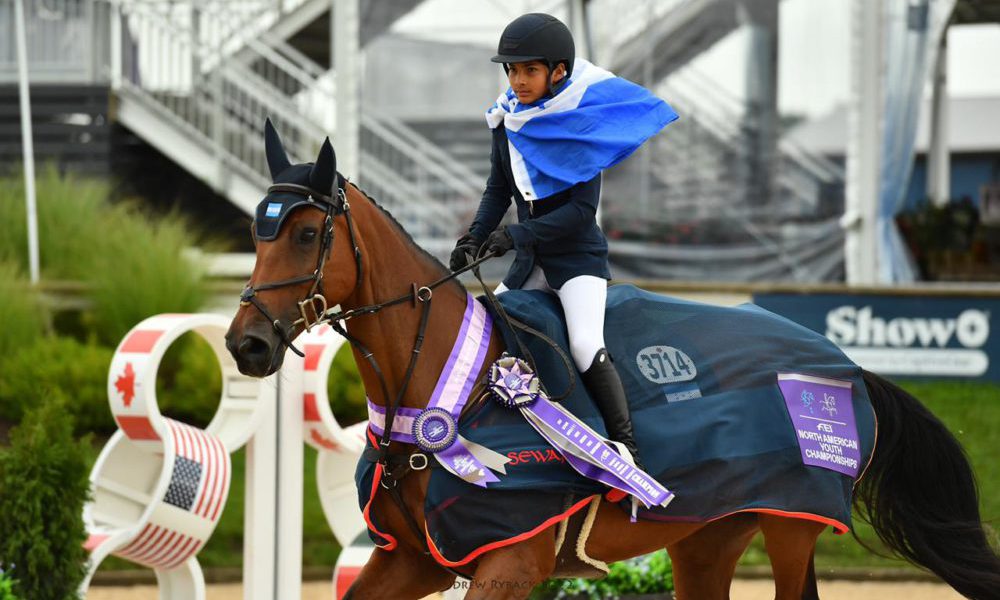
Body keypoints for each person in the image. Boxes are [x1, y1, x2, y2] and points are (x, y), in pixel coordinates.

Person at [450, 13, 678, 474]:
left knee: (583, 346)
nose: (518, 80)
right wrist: (474, 237)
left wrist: (516, 235)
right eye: (512, 70)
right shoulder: (508, 120)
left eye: (529, 70)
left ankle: (627, 449)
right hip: (529, 265)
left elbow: (578, 214)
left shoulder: (580, 122)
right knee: (486, 333)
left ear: (558, 72)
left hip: (578, 263)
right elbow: (498, 189)